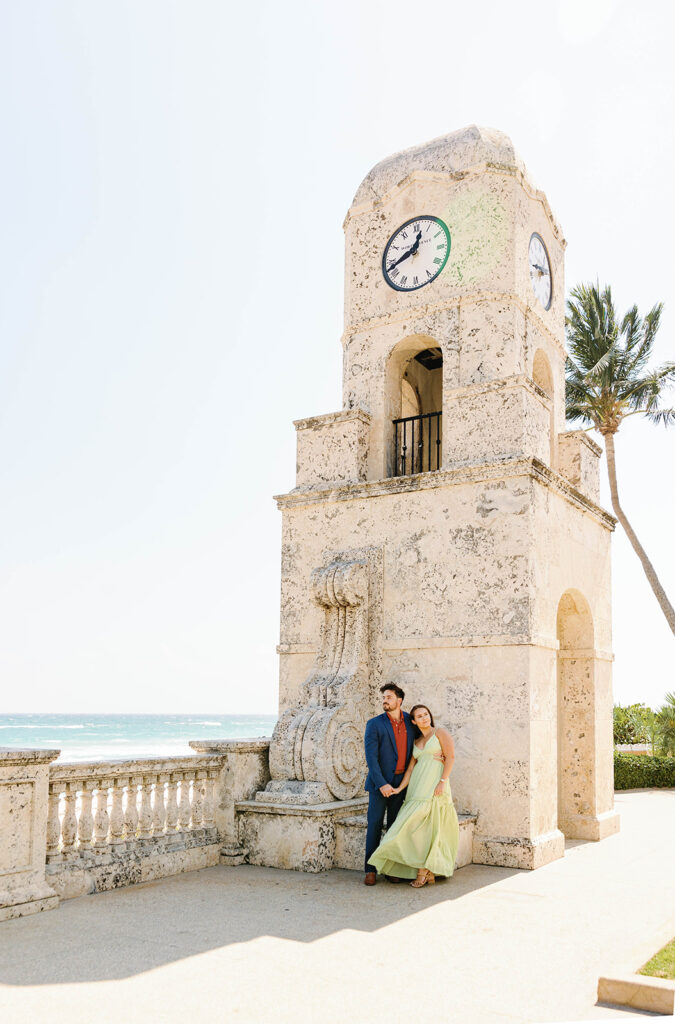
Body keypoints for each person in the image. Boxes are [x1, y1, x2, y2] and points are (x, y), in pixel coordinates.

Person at [368, 703, 460, 888]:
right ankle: (423, 869)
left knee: (432, 825)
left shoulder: (440, 733)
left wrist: (442, 782)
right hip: (417, 786)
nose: (424, 718)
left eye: (426, 714)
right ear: (414, 721)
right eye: (419, 716)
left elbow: (450, 757)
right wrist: (400, 789)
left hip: (435, 784)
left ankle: (424, 871)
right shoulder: (416, 742)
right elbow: (410, 768)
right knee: (414, 826)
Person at [362, 683, 415, 886]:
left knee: (394, 827)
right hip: (379, 784)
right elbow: (371, 758)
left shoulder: (411, 721)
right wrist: (382, 783)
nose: (385, 700)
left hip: (401, 784)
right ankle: (370, 870)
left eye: (389, 697)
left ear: (399, 700)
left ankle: (391, 868)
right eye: (384, 697)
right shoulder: (374, 724)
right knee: (374, 825)